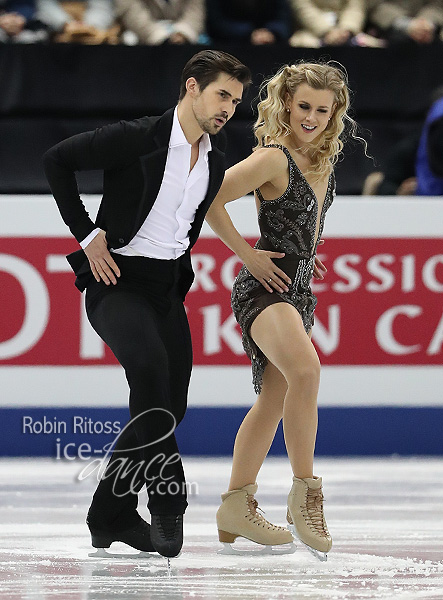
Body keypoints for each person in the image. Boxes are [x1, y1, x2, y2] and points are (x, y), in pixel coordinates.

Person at [43, 50, 251, 559]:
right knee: (151, 378)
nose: (228, 108)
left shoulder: (217, 159)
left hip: (165, 290)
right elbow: (57, 160)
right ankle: (167, 497)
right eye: (222, 94)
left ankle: (107, 516)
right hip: (116, 282)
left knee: (167, 407)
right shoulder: (139, 138)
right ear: (191, 88)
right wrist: (87, 234)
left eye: (236, 100)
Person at [206, 61, 363, 559]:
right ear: (286, 105)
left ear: (334, 112)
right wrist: (246, 253)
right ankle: (306, 492)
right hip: (262, 286)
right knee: (307, 371)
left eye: (322, 109)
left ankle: (235, 504)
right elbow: (207, 196)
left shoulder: (321, 159)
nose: (311, 117)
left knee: (274, 399)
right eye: (303, 107)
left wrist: (307, 256)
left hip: (295, 290)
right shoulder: (273, 157)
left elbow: (305, 220)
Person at [115, 0, 204, 45]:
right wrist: (162, 37)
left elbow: (194, 12)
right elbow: (131, 12)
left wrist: (182, 33)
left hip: (184, 41)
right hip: (142, 41)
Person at [206, 0, 291, 45]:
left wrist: (271, 32)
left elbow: (283, 18)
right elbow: (216, 22)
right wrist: (249, 34)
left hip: (273, 43)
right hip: (230, 43)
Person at [366, 0, 443, 45]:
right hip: (382, 33)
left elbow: (437, 4)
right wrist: (407, 24)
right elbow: (374, 5)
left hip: (428, 35)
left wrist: (426, 22)